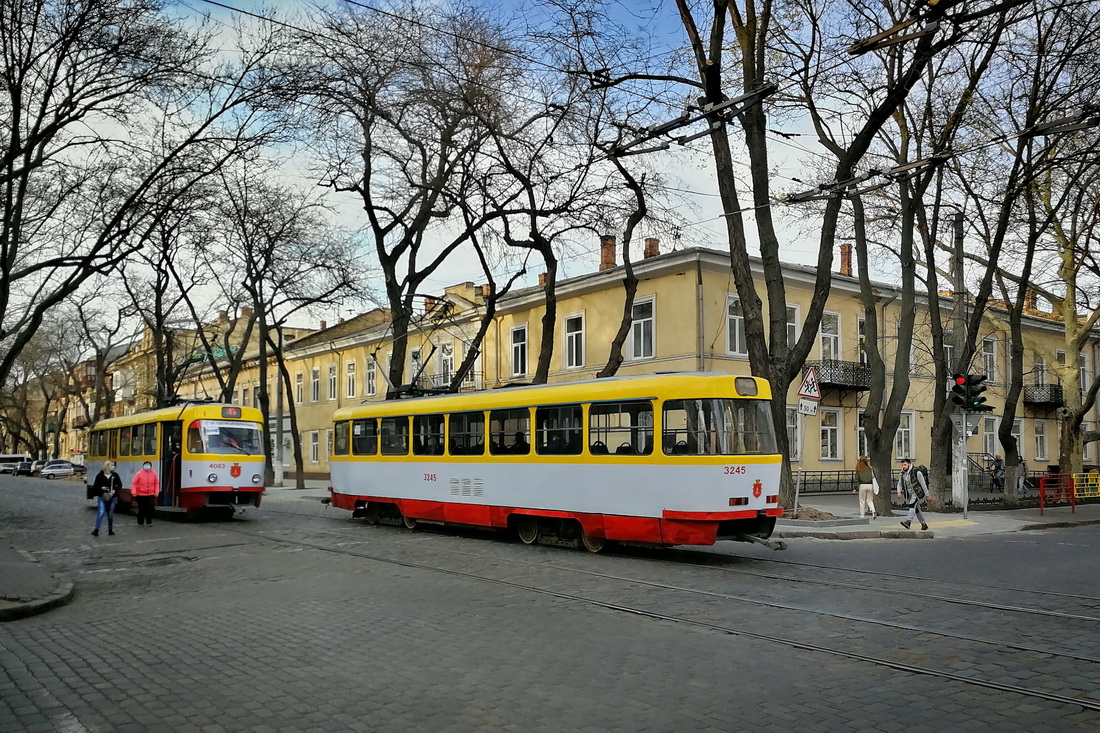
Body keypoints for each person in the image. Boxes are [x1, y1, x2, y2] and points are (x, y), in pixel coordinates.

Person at [896, 457, 930, 531]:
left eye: (905, 464)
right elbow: (899, 484)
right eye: (902, 465)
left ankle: (908, 522)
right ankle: (924, 525)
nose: (903, 466)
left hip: (917, 493)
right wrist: (899, 492)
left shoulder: (917, 472)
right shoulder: (902, 473)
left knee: (912, 505)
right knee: (916, 509)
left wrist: (927, 495)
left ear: (909, 464)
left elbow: (923, 484)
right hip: (909, 494)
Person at [91, 461, 123, 537]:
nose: (113, 467)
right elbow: (95, 487)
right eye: (111, 465)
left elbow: (120, 485)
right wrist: (101, 488)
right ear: (107, 466)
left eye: (113, 465)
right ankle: (96, 529)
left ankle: (110, 530)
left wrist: (115, 489)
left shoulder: (115, 475)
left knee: (110, 514)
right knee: (101, 512)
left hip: (112, 497)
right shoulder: (100, 476)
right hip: (102, 496)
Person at [130, 460, 160, 526]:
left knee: (150, 507)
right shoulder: (139, 473)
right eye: (145, 465)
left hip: (150, 494)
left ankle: (149, 521)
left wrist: (156, 491)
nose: (147, 466)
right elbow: (134, 483)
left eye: (148, 465)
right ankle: (140, 522)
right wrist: (134, 492)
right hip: (140, 494)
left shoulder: (153, 473)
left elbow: (156, 483)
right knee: (142, 508)